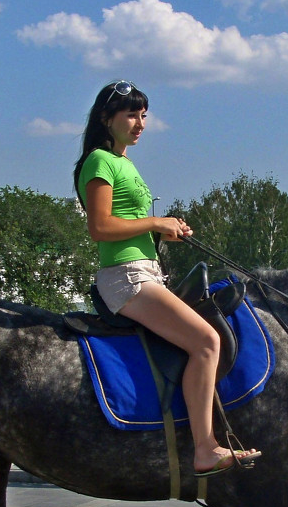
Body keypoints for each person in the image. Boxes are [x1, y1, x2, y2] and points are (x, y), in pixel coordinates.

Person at [74, 80, 260, 477]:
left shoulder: (125, 164)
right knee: (207, 342)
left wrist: (161, 230)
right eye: (130, 114)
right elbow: (100, 227)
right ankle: (206, 449)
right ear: (107, 119)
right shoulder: (99, 161)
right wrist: (156, 220)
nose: (140, 122)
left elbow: (128, 224)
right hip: (127, 278)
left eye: (143, 115)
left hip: (146, 271)